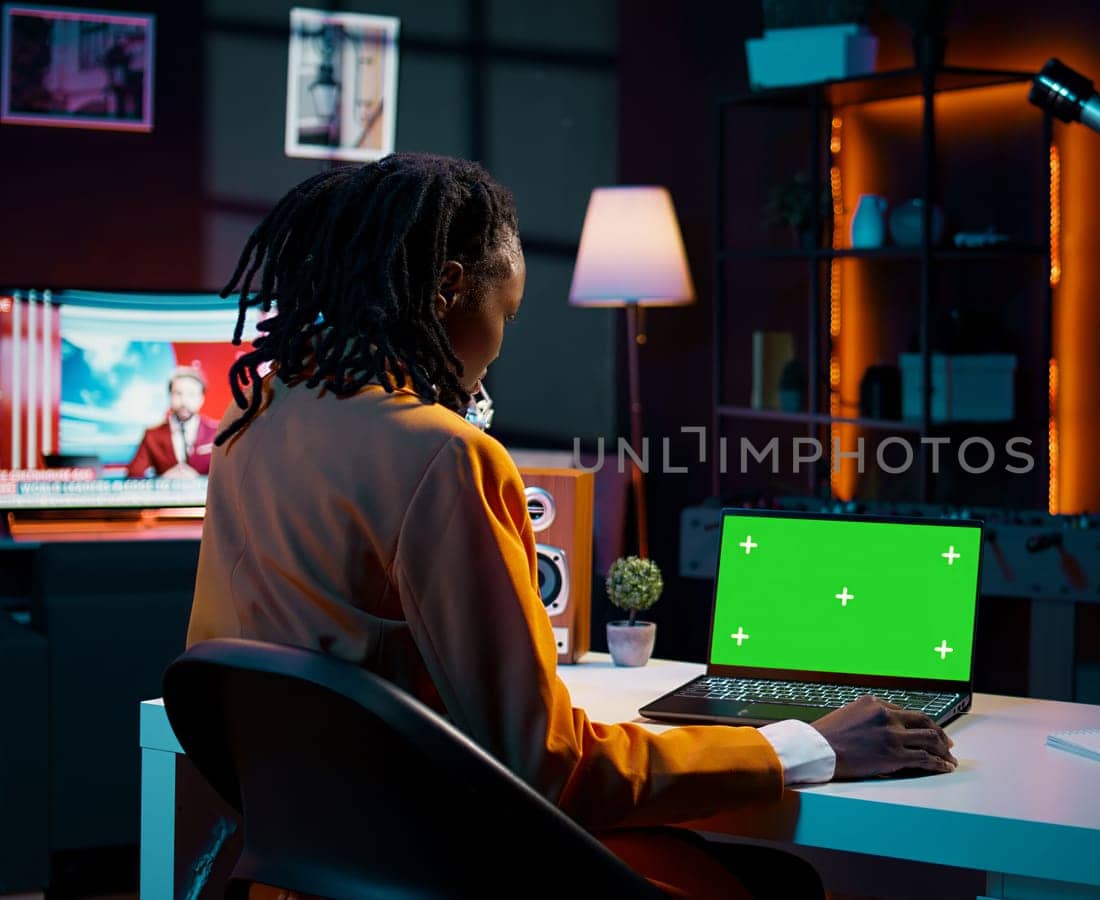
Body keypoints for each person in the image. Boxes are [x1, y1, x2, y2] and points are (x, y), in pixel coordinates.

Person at [186, 153, 957, 899]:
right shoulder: (447, 455)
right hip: (451, 870)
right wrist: (806, 743)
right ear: (450, 289)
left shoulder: (252, 415)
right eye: (507, 313)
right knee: (780, 882)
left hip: (314, 875)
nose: (501, 343)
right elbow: (548, 766)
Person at [128, 367, 218, 478]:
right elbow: (133, 475)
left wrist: (199, 480)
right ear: (169, 396)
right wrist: (164, 480)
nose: (184, 401)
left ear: (201, 398)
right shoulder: (152, 435)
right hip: (165, 494)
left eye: (191, 394)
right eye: (178, 393)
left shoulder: (217, 432)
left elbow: (230, 475)